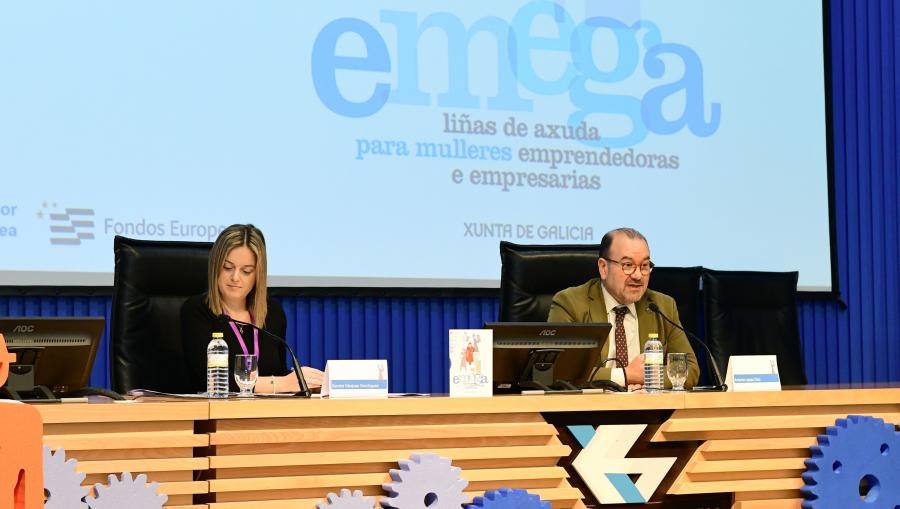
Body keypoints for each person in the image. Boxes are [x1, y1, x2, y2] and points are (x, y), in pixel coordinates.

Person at [548, 227, 700, 390]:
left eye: (644, 265)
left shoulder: (662, 305)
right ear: (603, 268)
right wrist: (625, 375)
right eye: (628, 265)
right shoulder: (570, 303)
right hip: (592, 410)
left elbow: (689, 369)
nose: (637, 275)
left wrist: (647, 379)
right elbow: (557, 370)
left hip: (648, 409)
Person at [180, 224, 324, 393]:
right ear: (215, 267)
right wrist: (283, 384)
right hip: (216, 413)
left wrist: (307, 382)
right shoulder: (196, 311)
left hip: (265, 413)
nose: (235, 277)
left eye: (246, 271)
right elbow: (214, 381)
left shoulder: (273, 313)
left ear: (258, 275)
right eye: (227, 267)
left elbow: (277, 373)